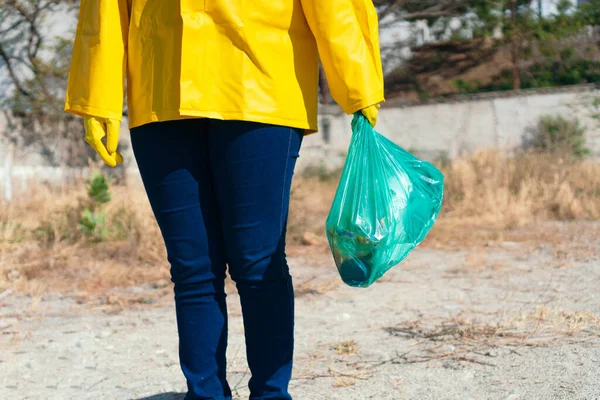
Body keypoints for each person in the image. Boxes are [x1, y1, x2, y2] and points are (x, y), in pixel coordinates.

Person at [65, 1, 384, 399]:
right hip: (162, 89)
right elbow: (105, 8)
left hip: (259, 85)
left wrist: (359, 84)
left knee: (257, 261)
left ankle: (271, 394)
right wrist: (98, 94)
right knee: (192, 267)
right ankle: (205, 394)